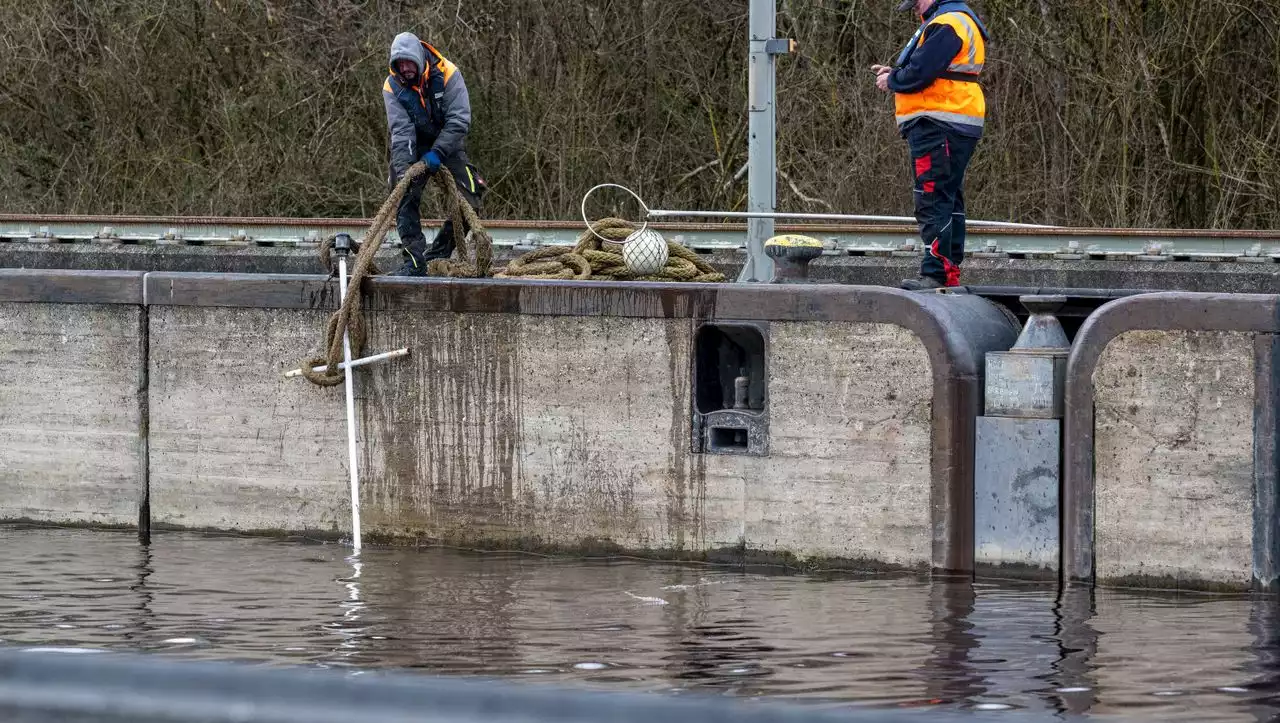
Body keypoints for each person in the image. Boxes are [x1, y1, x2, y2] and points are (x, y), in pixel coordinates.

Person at [872, 0, 989, 290]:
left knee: (932, 196)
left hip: (937, 121)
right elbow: (934, 67)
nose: (913, 8)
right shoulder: (957, 20)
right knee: (947, 196)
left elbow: (921, 73)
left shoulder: (947, 23)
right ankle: (947, 271)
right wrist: (898, 73)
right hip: (955, 119)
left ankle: (934, 272)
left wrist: (894, 79)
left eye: (915, 2)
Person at [382, 32, 487, 276]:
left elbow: (459, 120)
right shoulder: (392, 86)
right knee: (403, 194)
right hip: (413, 142)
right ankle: (414, 261)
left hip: (447, 140)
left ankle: (439, 252)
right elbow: (400, 130)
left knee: (471, 196)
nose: (405, 69)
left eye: (409, 63)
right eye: (400, 65)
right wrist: (405, 170)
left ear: (419, 59)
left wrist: (438, 152)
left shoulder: (449, 73)